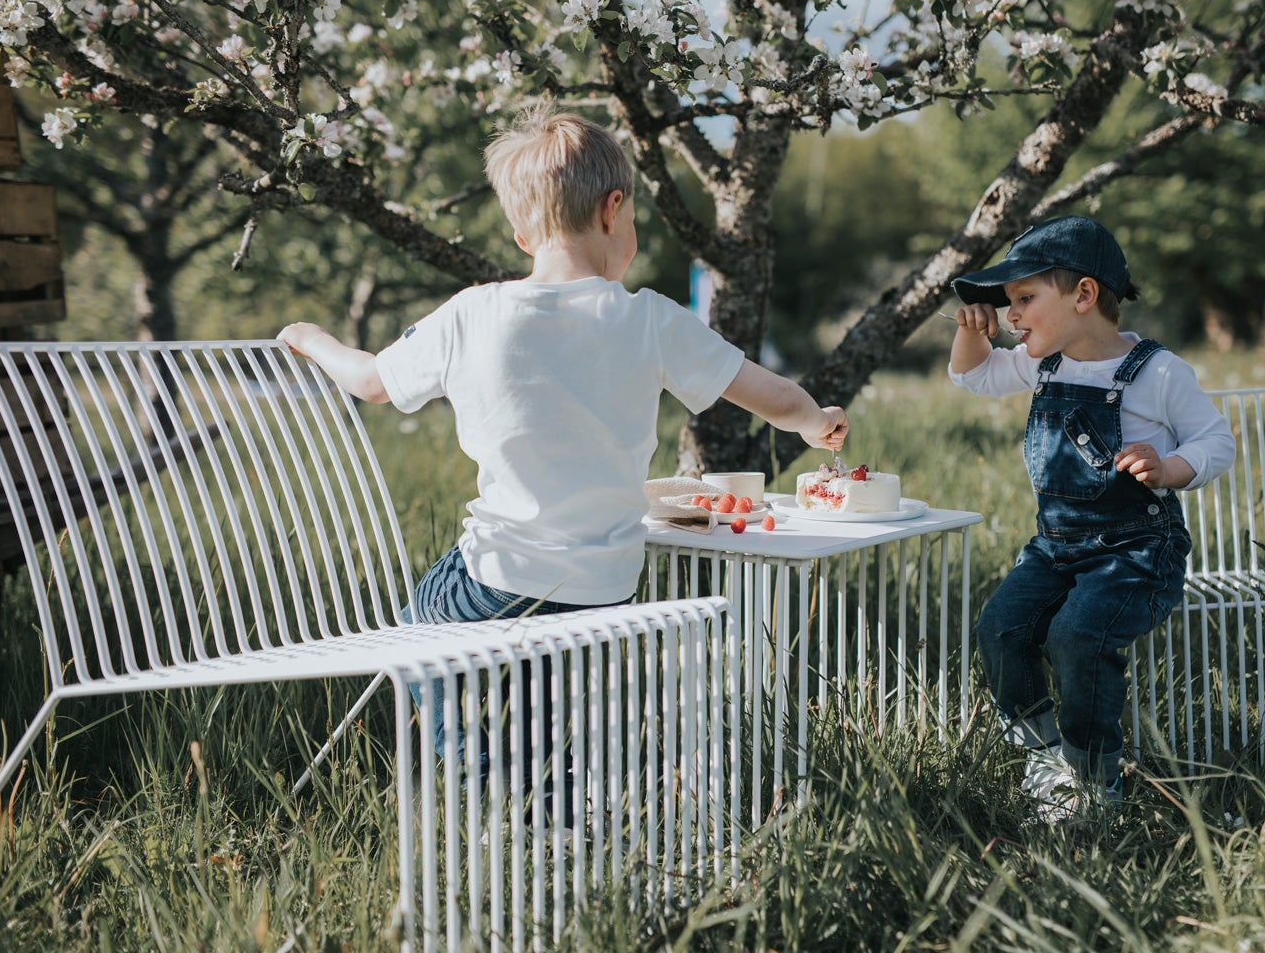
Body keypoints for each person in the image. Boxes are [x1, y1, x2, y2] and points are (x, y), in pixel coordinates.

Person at [279, 107, 848, 779]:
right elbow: (775, 398)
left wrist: (309, 339)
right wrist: (816, 420)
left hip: (500, 577)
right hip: (604, 587)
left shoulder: (473, 312)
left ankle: (475, 770)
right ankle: (547, 807)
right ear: (614, 211)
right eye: (633, 221)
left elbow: (372, 382)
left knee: (413, 636)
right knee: (542, 694)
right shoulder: (650, 320)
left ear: (523, 236)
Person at [946, 215, 1234, 821]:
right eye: (1009, 303)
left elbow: (1216, 442)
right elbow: (973, 376)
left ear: (1084, 295)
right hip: (1056, 546)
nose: (1014, 315)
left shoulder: (1157, 372)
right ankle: (1046, 763)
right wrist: (974, 331)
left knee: (1077, 637)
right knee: (1001, 628)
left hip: (1135, 550)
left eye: (1024, 299)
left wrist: (1170, 466)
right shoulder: (1040, 363)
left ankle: (1094, 782)